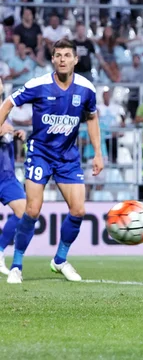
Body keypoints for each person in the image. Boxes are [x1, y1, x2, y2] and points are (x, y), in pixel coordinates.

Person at [0, 39, 103, 284]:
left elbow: (92, 117)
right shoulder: (39, 84)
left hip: (68, 158)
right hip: (40, 154)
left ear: (76, 59)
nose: (62, 59)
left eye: (67, 55)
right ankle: (16, 265)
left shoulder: (86, 88)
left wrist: (98, 153)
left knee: (78, 210)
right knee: (32, 210)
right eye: (58, 55)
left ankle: (59, 260)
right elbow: (8, 103)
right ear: (53, 59)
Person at [0, 81, 26, 275]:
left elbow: (6, 134)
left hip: (7, 175)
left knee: (23, 211)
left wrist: (17, 134)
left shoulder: (6, 111)